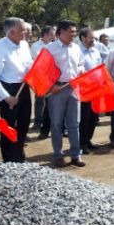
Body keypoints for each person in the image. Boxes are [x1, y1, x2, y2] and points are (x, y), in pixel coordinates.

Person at [0, 17, 33, 163]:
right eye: (23, 30)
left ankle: (20, 156)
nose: (26, 32)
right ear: (12, 32)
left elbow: (29, 64)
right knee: (8, 128)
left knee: (24, 124)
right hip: (8, 89)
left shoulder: (24, 44)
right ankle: (9, 161)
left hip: (23, 87)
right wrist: (6, 97)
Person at [46, 20, 86, 167]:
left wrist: (81, 70)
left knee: (74, 123)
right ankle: (58, 155)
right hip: (57, 89)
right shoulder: (50, 49)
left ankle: (76, 155)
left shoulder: (76, 48)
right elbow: (43, 70)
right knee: (56, 124)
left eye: (75, 32)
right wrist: (51, 86)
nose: (73, 35)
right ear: (61, 32)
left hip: (74, 88)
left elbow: (81, 64)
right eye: (71, 32)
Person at [78, 27, 103, 153]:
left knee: (94, 117)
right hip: (84, 89)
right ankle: (81, 144)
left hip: (96, 88)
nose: (93, 40)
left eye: (94, 38)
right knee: (84, 117)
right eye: (91, 38)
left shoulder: (96, 50)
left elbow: (100, 67)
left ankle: (88, 140)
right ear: (83, 38)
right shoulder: (77, 51)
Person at [30, 25, 56, 132]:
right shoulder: (36, 45)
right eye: (52, 34)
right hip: (39, 77)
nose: (54, 36)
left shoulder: (54, 45)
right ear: (45, 34)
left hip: (51, 76)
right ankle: (37, 122)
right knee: (40, 100)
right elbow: (40, 59)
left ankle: (48, 122)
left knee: (51, 100)